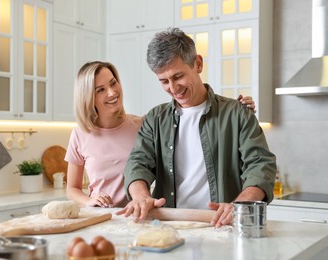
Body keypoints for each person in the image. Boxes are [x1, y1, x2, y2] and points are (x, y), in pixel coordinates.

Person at [116, 28, 277, 227]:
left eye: (178, 77)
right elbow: (138, 163)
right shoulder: (155, 119)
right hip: (170, 226)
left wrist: (240, 204)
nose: (173, 89)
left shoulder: (237, 113)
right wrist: (140, 195)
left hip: (223, 224)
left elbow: (260, 164)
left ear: (198, 64)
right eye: (164, 81)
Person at [64, 61, 257, 208]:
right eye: (100, 90)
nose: (112, 92)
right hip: (101, 214)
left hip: (139, 213)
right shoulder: (80, 135)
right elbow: (72, 188)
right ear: (88, 96)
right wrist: (89, 200)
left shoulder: (144, 123)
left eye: (114, 83)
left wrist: (236, 108)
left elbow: (193, 109)